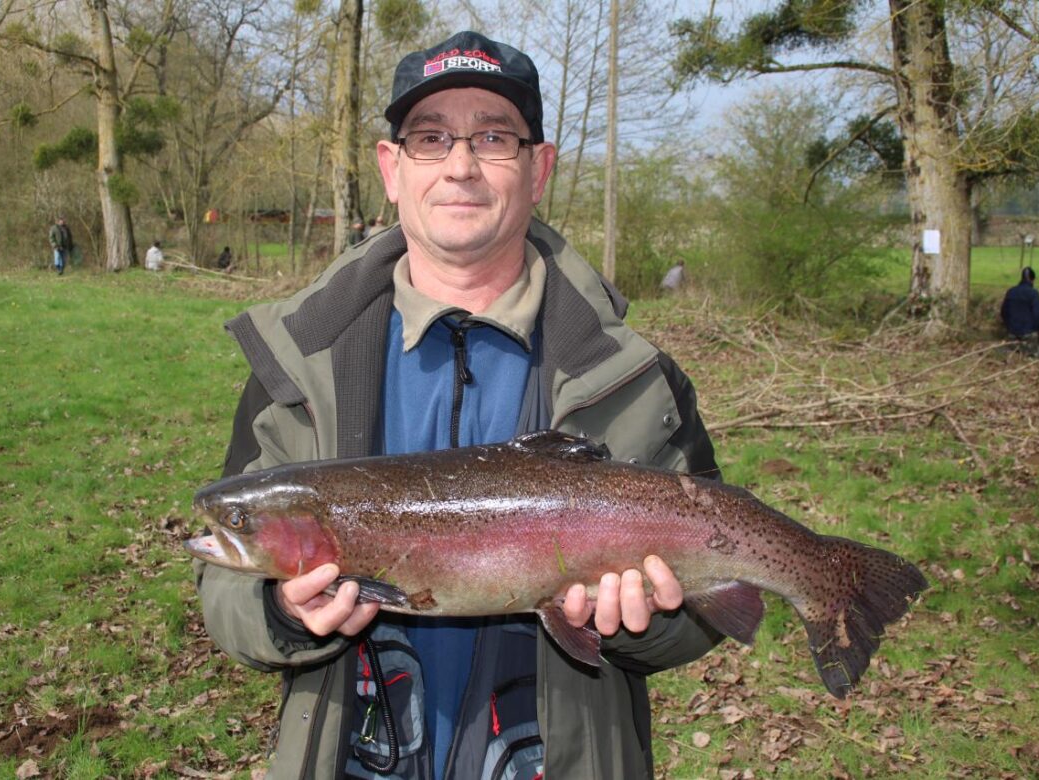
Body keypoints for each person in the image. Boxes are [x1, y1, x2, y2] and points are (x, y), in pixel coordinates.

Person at [193, 31, 721, 780]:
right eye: (431, 138)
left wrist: (649, 623)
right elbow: (224, 597)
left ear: (538, 169)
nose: (461, 165)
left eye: (493, 138)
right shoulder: (295, 362)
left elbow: (708, 611)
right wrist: (281, 614)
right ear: (391, 168)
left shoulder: (636, 379)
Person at [1000, 266, 1039, 339]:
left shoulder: (1011, 292)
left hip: (1012, 332)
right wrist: (1035, 329)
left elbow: (1003, 312)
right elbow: (1037, 314)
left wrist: (1009, 326)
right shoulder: (1034, 293)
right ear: (1032, 280)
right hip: (1028, 332)